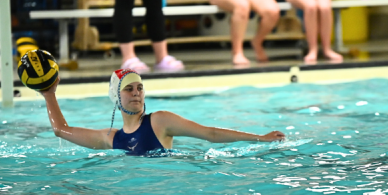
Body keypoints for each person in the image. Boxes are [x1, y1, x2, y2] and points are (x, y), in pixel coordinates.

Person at [40, 69, 285, 155]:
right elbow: (61, 131)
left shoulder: (159, 121)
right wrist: (49, 93)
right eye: (129, 89)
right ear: (116, 97)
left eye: (140, 88)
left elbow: (209, 133)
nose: (136, 93)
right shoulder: (110, 139)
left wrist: (260, 138)